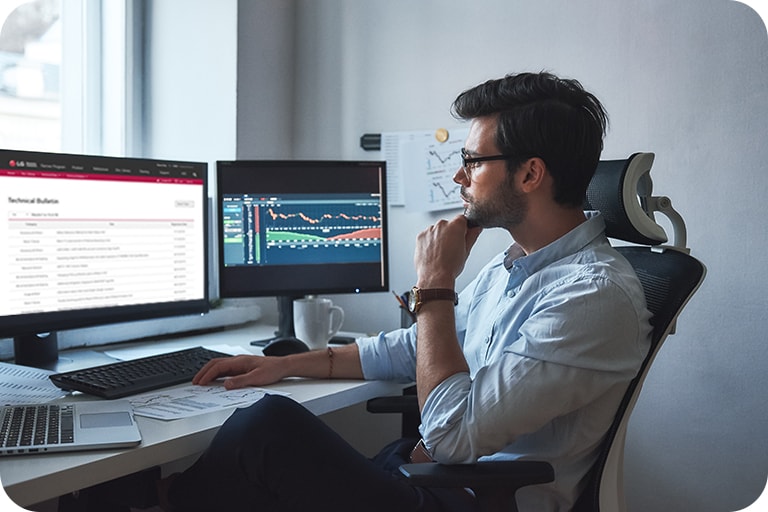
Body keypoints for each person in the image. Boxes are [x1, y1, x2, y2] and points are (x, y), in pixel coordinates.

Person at [159, 71, 652, 512]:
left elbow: (451, 435)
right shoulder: (515, 266)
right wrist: (285, 364)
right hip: (426, 474)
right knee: (259, 473)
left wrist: (435, 286)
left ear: (529, 174)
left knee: (267, 429)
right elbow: (414, 348)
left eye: (472, 161)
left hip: (469, 496)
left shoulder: (591, 296)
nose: (458, 176)